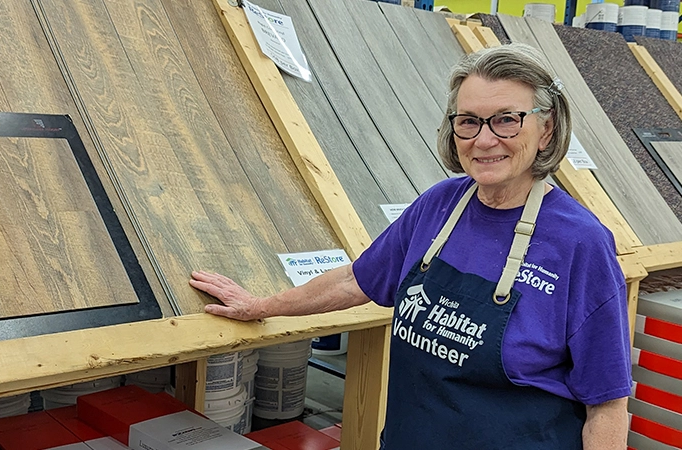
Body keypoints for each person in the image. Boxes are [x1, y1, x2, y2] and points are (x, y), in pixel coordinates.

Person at [190, 43, 631, 449]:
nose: (484, 139)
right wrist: (261, 307)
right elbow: (353, 280)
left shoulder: (580, 243)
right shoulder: (439, 205)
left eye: (506, 119)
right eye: (468, 121)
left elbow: (607, 406)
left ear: (547, 129)